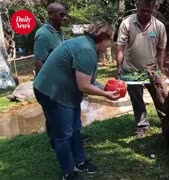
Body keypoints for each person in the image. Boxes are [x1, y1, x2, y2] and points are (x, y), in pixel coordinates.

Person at [33, 21, 120, 180]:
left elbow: (88, 78)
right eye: (111, 40)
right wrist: (105, 94)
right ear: (103, 37)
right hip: (51, 92)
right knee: (63, 134)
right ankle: (68, 172)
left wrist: (105, 87)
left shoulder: (86, 44)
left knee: (75, 128)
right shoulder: (86, 49)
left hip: (65, 92)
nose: (111, 44)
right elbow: (84, 86)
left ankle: (80, 161)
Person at [33, 3, 90, 149]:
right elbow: (39, 63)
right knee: (53, 115)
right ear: (51, 14)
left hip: (64, 82)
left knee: (70, 110)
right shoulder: (43, 35)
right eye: (61, 15)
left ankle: (74, 135)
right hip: (50, 84)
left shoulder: (60, 32)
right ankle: (55, 141)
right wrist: (48, 87)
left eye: (66, 14)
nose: (65, 18)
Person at [116, 0, 167, 138]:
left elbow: (161, 49)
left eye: (149, 11)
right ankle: (142, 125)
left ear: (153, 10)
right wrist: (119, 66)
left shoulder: (159, 26)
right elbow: (120, 47)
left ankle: (166, 121)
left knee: (160, 96)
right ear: (137, 8)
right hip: (131, 69)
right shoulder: (126, 23)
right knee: (137, 99)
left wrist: (161, 67)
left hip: (152, 69)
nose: (145, 13)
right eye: (142, 10)